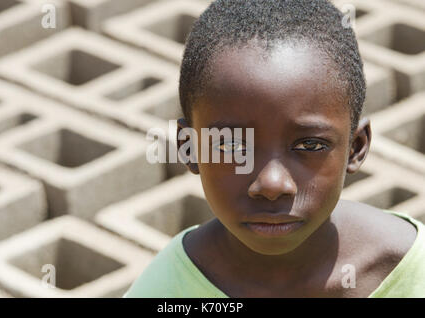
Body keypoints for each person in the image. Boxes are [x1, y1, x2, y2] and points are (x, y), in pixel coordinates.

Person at [124, 0, 425, 297]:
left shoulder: (412, 273)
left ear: (355, 148)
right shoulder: (167, 291)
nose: (271, 184)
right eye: (231, 145)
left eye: (310, 144)